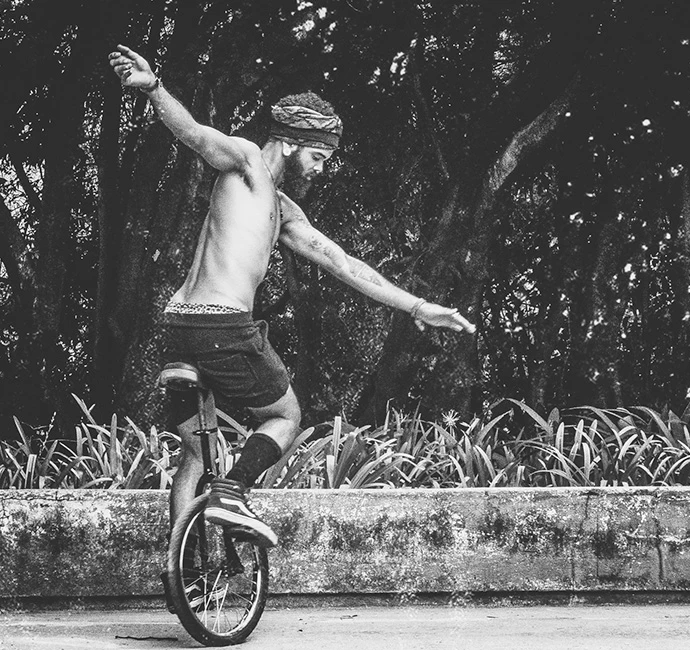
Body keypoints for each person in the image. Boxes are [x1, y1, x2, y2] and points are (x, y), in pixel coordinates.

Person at [107, 45, 475, 550]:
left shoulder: (282, 211)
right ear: (291, 142)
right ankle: (232, 493)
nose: (322, 169)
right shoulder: (247, 161)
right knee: (285, 417)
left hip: (180, 326)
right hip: (223, 326)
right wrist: (153, 89)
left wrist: (415, 305)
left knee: (196, 454)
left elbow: (344, 264)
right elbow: (193, 135)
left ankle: (185, 571)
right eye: (319, 156)